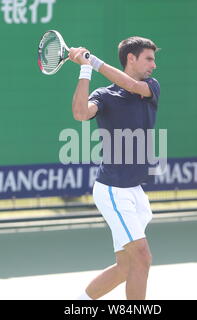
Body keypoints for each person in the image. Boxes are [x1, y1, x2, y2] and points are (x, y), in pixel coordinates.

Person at [68, 36, 160, 300]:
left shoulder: (150, 86)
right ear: (131, 58)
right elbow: (80, 113)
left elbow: (130, 84)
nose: (153, 65)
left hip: (135, 193)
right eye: (149, 59)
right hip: (112, 191)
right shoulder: (104, 96)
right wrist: (85, 69)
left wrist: (92, 60)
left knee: (126, 267)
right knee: (142, 257)